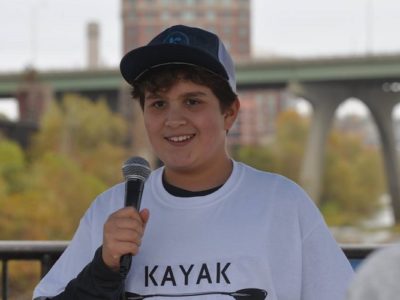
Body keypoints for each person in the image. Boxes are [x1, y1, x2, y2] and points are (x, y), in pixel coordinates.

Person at [33, 24, 353, 300]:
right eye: (158, 103)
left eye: (192, 101)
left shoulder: (282, 202)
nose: (173, 120)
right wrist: (104, 267)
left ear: (229, 112)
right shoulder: (111, 209)